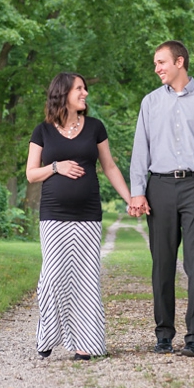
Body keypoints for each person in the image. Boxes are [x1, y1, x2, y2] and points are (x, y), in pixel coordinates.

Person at [128, 40, 194, 357]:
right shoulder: (150, 103)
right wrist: (137, 191)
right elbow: (139, 151)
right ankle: (163, 335)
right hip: (159, 187)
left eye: (161, 62)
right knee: (161, 264)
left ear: (179, 62)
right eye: (155, 63)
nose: (157, 68)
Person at [26, 72, 132, 361]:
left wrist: (130, 198)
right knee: (52, 276)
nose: (85, 93)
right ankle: (47, 334)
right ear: (63, 94)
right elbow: (31, 173)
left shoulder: (95, 127)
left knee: (85, 278)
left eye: (85, 89)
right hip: (53, 216)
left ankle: (86, 343)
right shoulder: (43, 131)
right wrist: (56, 167)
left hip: (87, 216)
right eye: (79, 89)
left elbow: (109, 167)